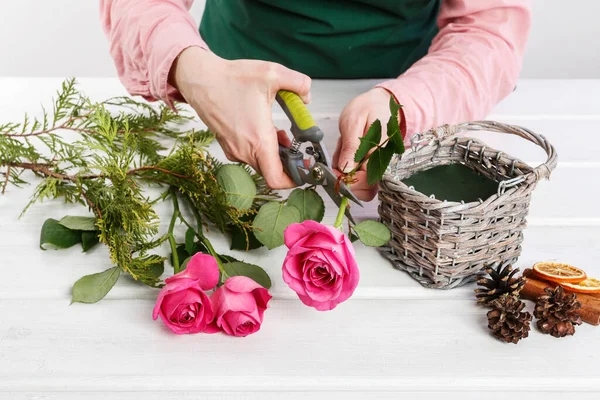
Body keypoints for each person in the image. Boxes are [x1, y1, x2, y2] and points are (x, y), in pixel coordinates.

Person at [100, 0, 531, 201]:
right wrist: (194, 73)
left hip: (407, 77)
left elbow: (490, 29)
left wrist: (405, 105)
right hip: (227, 76)